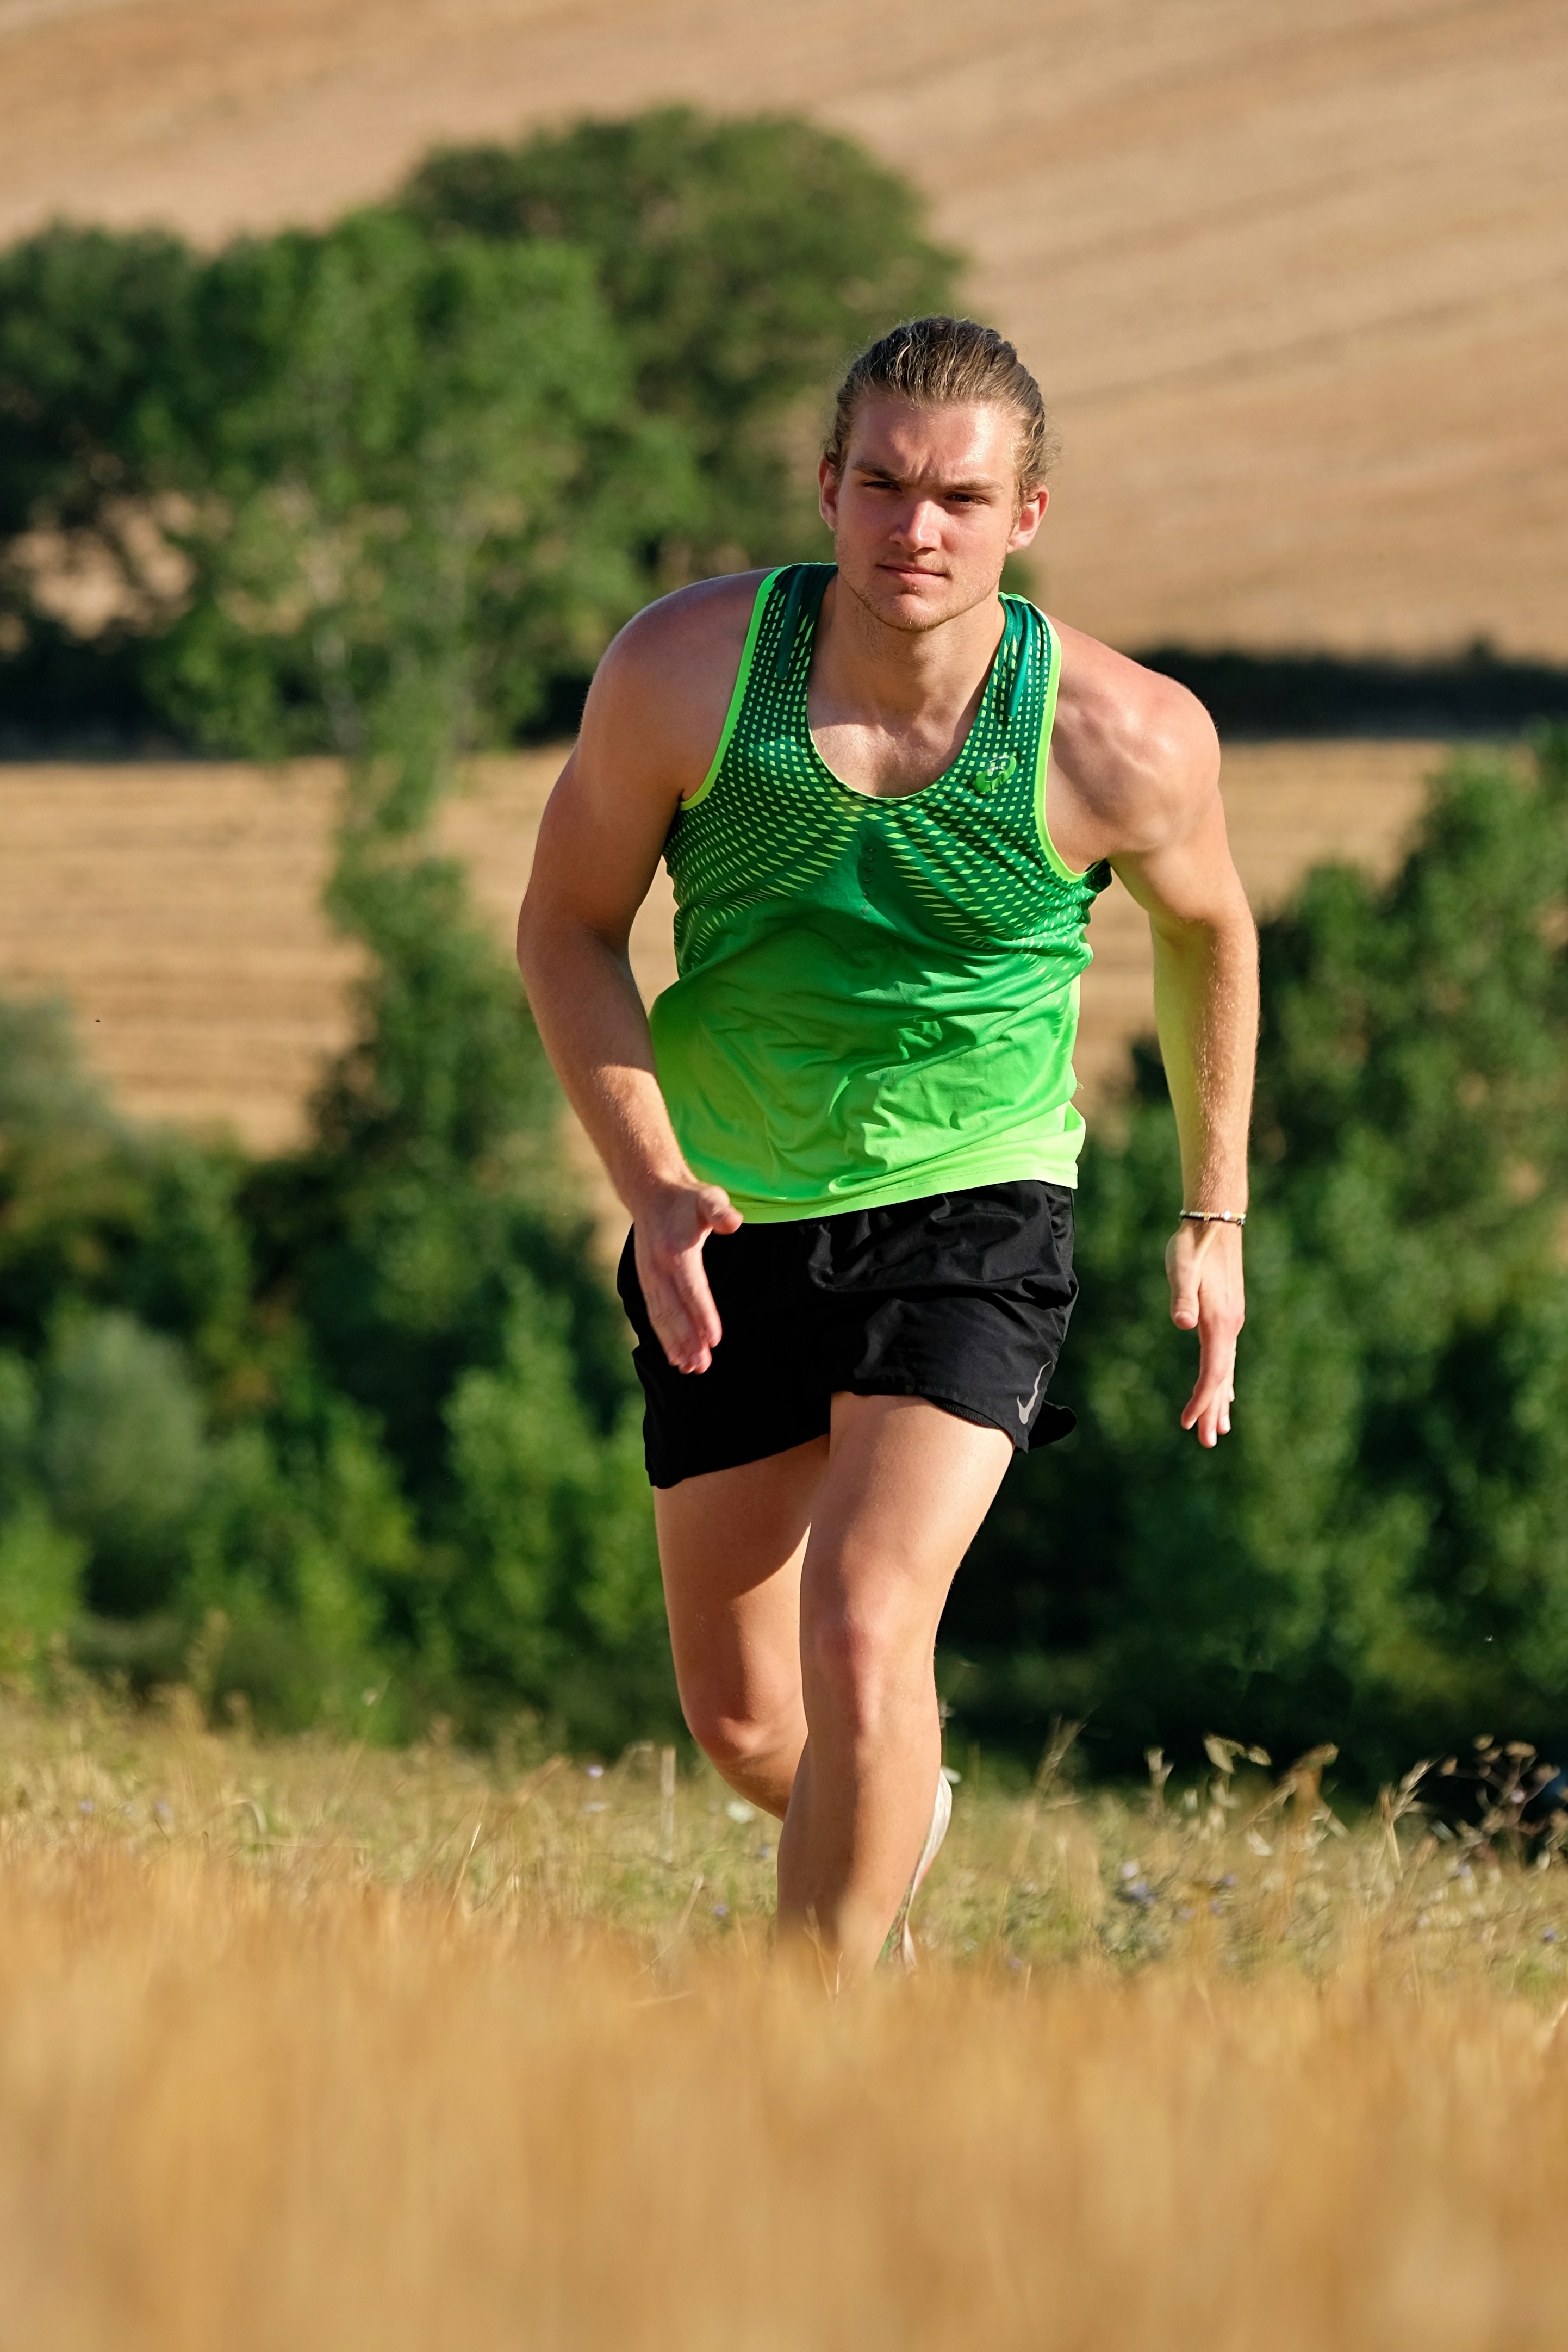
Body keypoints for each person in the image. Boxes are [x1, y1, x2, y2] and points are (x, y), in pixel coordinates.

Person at [517, 316, 1257, 1983]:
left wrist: (1212, 1211)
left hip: (976, 1208)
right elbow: (565, 928)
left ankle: (804, 2050)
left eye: (958, 497)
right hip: (722, 1213)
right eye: (881, 485)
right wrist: (648, 1187)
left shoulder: (1121, 740)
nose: (912, 529)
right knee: (748, 1724)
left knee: (867, 1621)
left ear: (1027, 516)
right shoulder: (687, 673)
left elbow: (1213, 934)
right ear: (827, 486)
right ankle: (885, 1840)